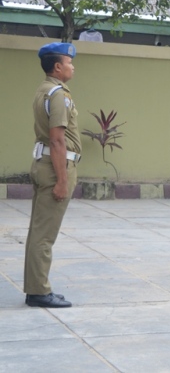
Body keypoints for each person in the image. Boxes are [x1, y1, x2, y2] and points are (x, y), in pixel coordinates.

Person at [24, 42, 80, 309]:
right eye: (69, 62)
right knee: (44, 235)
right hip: (54, 165)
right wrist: (62, 180)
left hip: (43, 162)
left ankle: (37, 288)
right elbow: (58, 140)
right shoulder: (58, 94)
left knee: (38, 232)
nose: (72, 66)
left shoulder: (43, 90)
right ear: (58, 67)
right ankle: (38, 292)